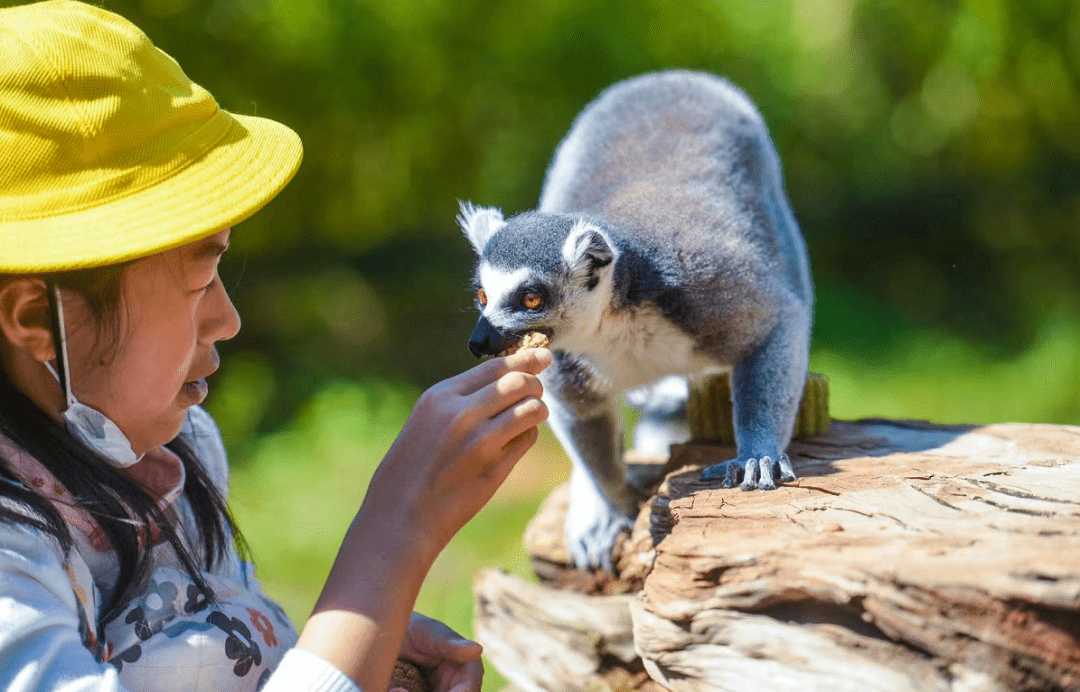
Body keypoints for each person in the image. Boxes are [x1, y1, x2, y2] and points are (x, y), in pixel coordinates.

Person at [0, 2, 552, 691]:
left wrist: (349, 645)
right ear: (35, 316)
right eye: (199, 279)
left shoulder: (175, 456)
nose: (227, 319)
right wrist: (388, 543)